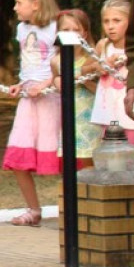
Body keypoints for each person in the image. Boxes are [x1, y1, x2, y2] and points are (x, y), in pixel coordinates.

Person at [2, 0, 61, 226]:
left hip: (51, 100)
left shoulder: (57, 29)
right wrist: (22, 83)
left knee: (61, 155)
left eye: (19, 3)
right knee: (18, 153)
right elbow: (29, 63)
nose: (15, 8)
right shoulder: (22, 29)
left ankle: (73, 207)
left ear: (35, 4)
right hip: (29, 100)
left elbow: (61, 65)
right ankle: (33, 209)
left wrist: (45, 85)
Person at [86, 0, 134, 169]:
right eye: (106, 21)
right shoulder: (103, 45)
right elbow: (85, 69)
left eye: (117, 20)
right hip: (109, 113)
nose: (110, 26)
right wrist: (100, 65)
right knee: (111, 161)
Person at [50, 9, 98, 169]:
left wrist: (81, 77)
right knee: (70, 158)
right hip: (70, 116)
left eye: (76, 30)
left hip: (91, 117)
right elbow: (55, 80)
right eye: (65, 30)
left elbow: (100, 90)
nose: (71, 34)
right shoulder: (56, 61)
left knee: (91, 159)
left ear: (84, 33)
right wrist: (56, 81)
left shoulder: (92, 59)